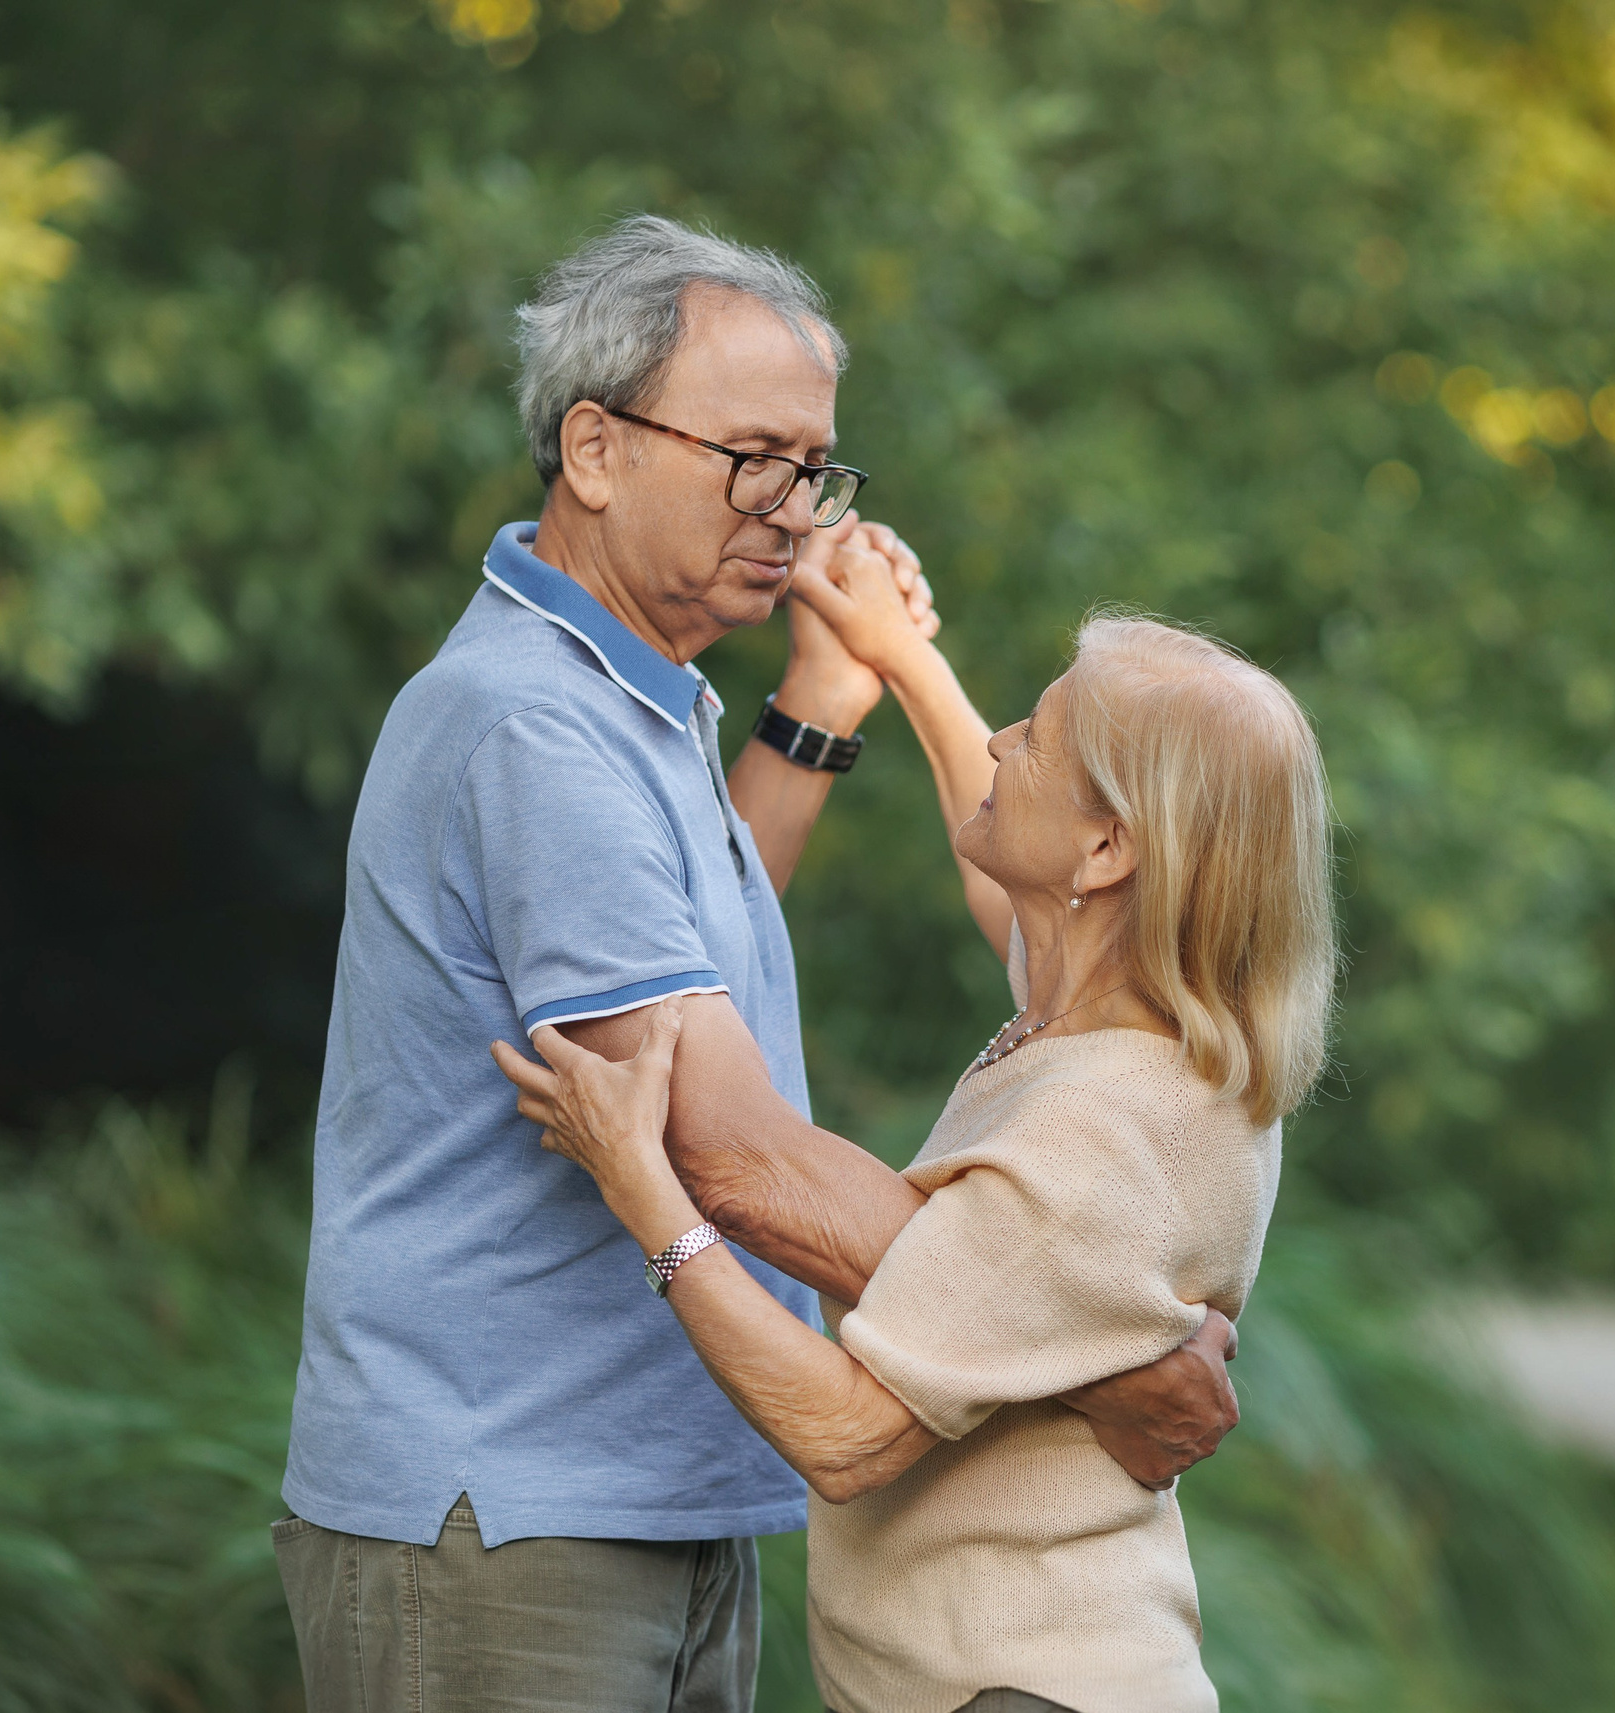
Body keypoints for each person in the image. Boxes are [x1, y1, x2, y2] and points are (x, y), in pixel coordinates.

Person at [274, 214, 1241, 1712]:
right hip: (514, 1512)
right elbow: (724, 1148)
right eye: (758, 458)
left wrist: (817, 706)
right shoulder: (538, 725)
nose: (797, 510)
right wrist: (1090, 1350)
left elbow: (691, 955)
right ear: (595, 450)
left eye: (818, 469)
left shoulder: (637, 697)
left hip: (650, 1494)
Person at [497, 591, 1340, 1713]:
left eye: (1035, 738)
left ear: (1105, 850)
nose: (999, 740)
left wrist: (645, 1193)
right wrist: (903, 658)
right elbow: (1008, 880)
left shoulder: (1104, 1124)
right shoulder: (1125, 1023)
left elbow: (843, 1434)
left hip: (1018, 1689)